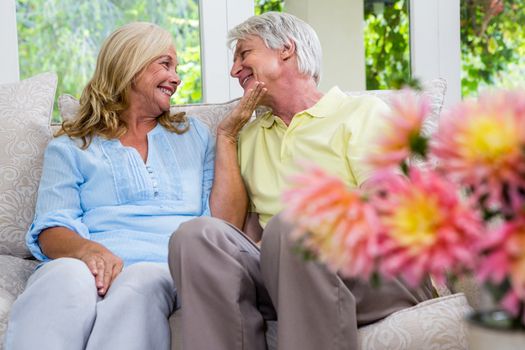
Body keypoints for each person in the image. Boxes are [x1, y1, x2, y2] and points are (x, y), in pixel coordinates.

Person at [168, 11, 435, 350]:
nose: (234, 70)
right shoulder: (250, 136)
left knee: (290, 227)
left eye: (244, 53)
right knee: (195, 236)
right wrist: (227, 135)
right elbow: (233, 232)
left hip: (374, 270)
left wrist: (295, 229)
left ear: (286, 49)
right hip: (283, 272)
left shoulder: (362, 112)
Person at [4, 22, 217, 350]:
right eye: (165, 64)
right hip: (89, 261)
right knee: (63, 277)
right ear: (130, 65)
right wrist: (89, 252)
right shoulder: (73, 145)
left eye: (175, 67)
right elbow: (51, 227)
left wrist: (229, 137)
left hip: (162, 265)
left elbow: (217, 221)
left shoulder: (195, 135)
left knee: (140, 281)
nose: (176, 77)